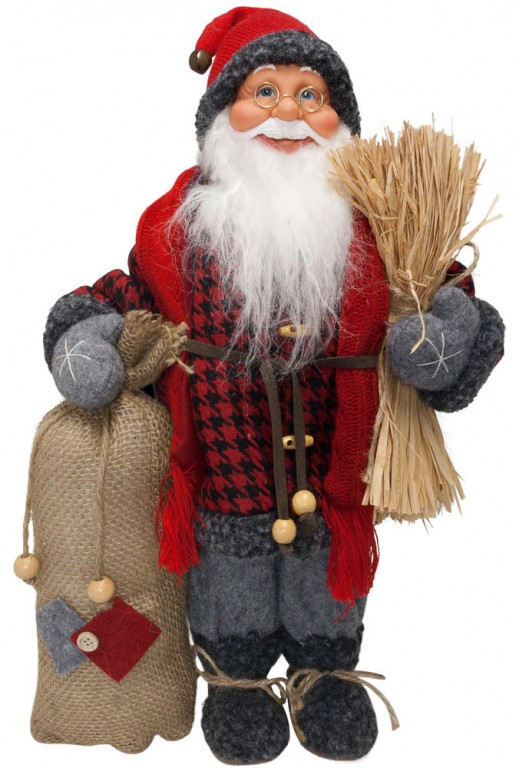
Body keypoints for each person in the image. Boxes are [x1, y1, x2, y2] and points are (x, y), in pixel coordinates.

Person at [42, 7, 504, 764]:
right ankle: (238, 683)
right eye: (264, 91)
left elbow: (453, 294)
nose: (287, 113)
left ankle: (327, 675)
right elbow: (119, 295)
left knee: (328, 577)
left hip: (336, 472)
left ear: (339, 119)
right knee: (230, 577)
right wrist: (82, 337)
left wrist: (446, 340)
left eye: (309, 95)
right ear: (221, 114)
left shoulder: (379, 222)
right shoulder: (175, 227)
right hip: (222, 470)